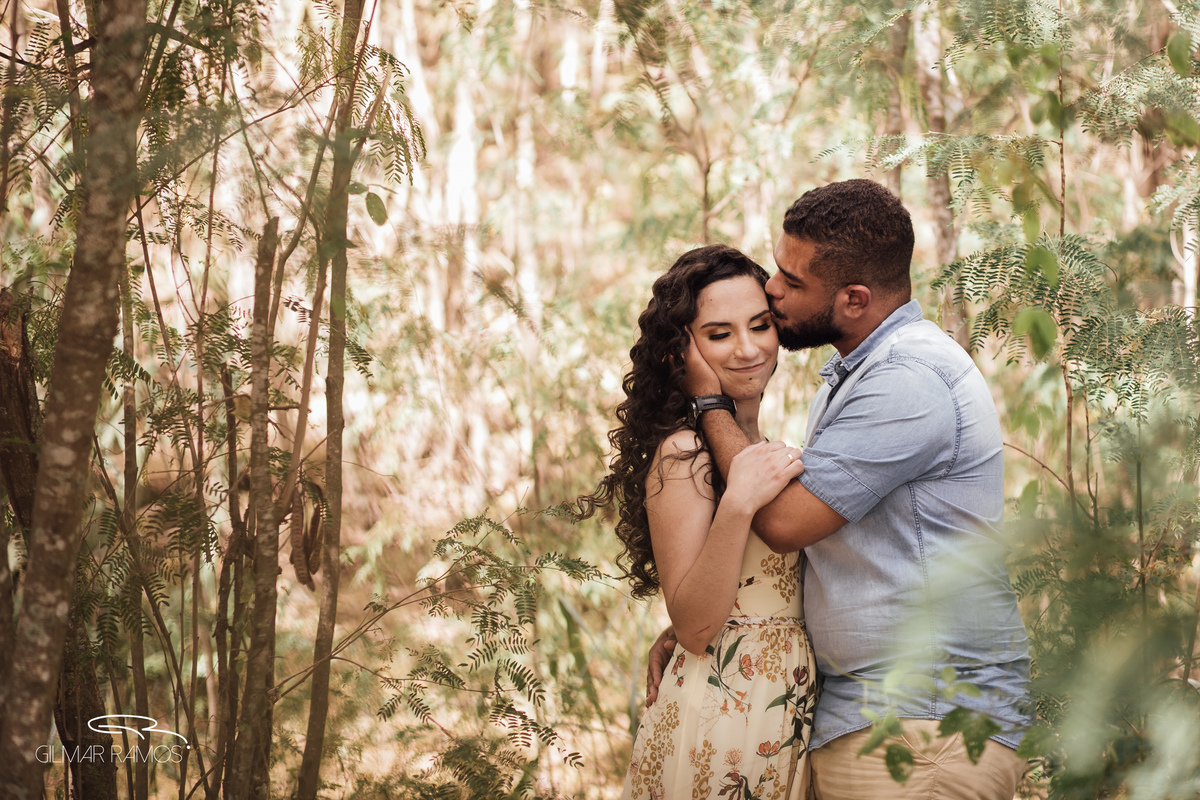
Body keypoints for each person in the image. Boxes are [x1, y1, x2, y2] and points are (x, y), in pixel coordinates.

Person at [646, 179, 1031, 800]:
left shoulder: (908, 379)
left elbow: (785, 524)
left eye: (791, 281)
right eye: (778, 269)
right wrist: (719, 622)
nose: (773, 289)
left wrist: (711, 401)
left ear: (854, 299)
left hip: (922, 725)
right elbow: (825, 560)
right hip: (853, 718)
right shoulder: (850, 378)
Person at [581, 244, 818, 799]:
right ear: (679, 353)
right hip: (723, 713)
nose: (747, 348)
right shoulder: (684, 453)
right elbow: (693, 625)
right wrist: (737, 504)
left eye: (760, 325)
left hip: (785, 703)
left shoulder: (756, 446)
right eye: (718, 334)